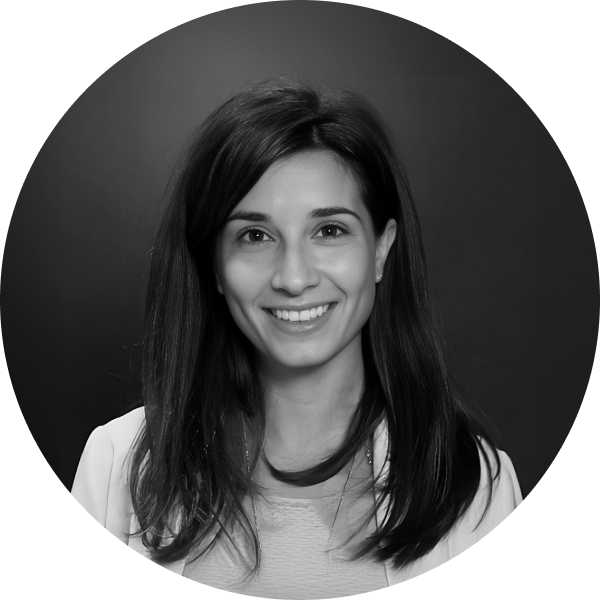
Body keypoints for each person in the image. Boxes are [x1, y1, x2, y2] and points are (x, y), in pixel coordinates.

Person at [71, 77, 522, 596]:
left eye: (329, 230)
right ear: (214, 265)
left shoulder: (475, 485)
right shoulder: (117, 465)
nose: (293, 277)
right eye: (255, 235)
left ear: (380, 250)